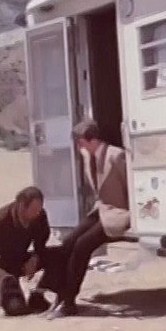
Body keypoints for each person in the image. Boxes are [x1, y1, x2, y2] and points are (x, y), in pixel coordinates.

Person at [51, 118, 131, 317]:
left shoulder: (116, 155)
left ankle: (69, 301)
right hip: (102, 209)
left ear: (91, 140)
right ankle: (60, 295)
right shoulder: (89, 158)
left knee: (82, 246)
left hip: (119, 212)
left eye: (81, 141)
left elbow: (131, 187)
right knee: (69, 242)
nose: (79, 146)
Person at [0, 186, 62, 316]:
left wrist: (35, 258)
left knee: (59, 255)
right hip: (3, 263)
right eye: (34, 209)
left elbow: (41, 242)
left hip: (24, 257)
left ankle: (38, 295)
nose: (38, 213)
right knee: (15, 308)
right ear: (22, 206)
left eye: (40, 209)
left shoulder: (39, 216)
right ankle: (9, 294)